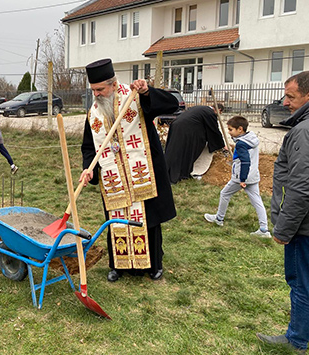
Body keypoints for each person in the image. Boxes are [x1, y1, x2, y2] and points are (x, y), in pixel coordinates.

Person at [79, 58, 178, 282]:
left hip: (142, 171)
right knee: (115, 220)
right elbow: (88, 146)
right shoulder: (93, 114)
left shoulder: (134, 98)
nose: (96, 94)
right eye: (93, 90)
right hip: (113, 176)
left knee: (147, 219)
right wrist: (89, 168)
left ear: (113, 85)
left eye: (100, 89)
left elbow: (171, 105)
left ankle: (153, 265)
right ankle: (118, 266)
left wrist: (146, 92)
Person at [256, 71, 309, 354]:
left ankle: (297, 340)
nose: (284, 102)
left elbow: (301, 187)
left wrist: (284, 229)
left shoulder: (302, 132)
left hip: (304, 226)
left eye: (291, 96)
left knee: (300, 283)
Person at [203, 115, 270, 237]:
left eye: (230, 129)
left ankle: (219, 219)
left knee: (225, 193)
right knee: (257, 200)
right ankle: (264, 229)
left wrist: (242, 179)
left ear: (240, 129)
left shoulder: (241, 144)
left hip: (241, 177)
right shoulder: (251, 138)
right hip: (254, 175)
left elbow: (245, 162)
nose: (229, 132)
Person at [164, 104, 225, 183]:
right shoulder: (210, 113)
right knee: (186, 152)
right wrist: (221, 144)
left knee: (176, 151)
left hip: (177, 126)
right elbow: (214, 130)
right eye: (219, 113)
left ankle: (169, 172)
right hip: (186, 130)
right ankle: (178, 174)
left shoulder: (201, 108)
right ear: (219, 110)